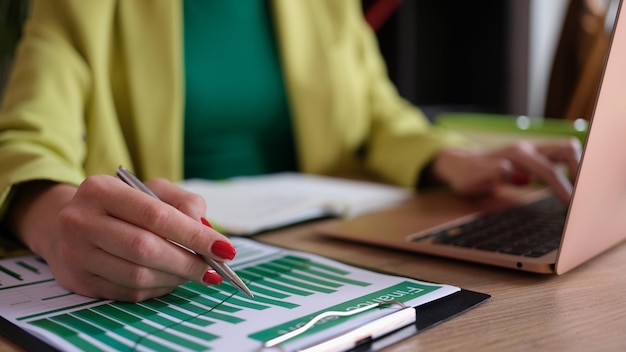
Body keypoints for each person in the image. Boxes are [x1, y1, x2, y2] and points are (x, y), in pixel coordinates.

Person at [0, 0, 581, 302]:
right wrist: (50, 221)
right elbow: (25, 140)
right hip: (173, 257)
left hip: (317, 248)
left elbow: (379, 114)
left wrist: (446, 157)